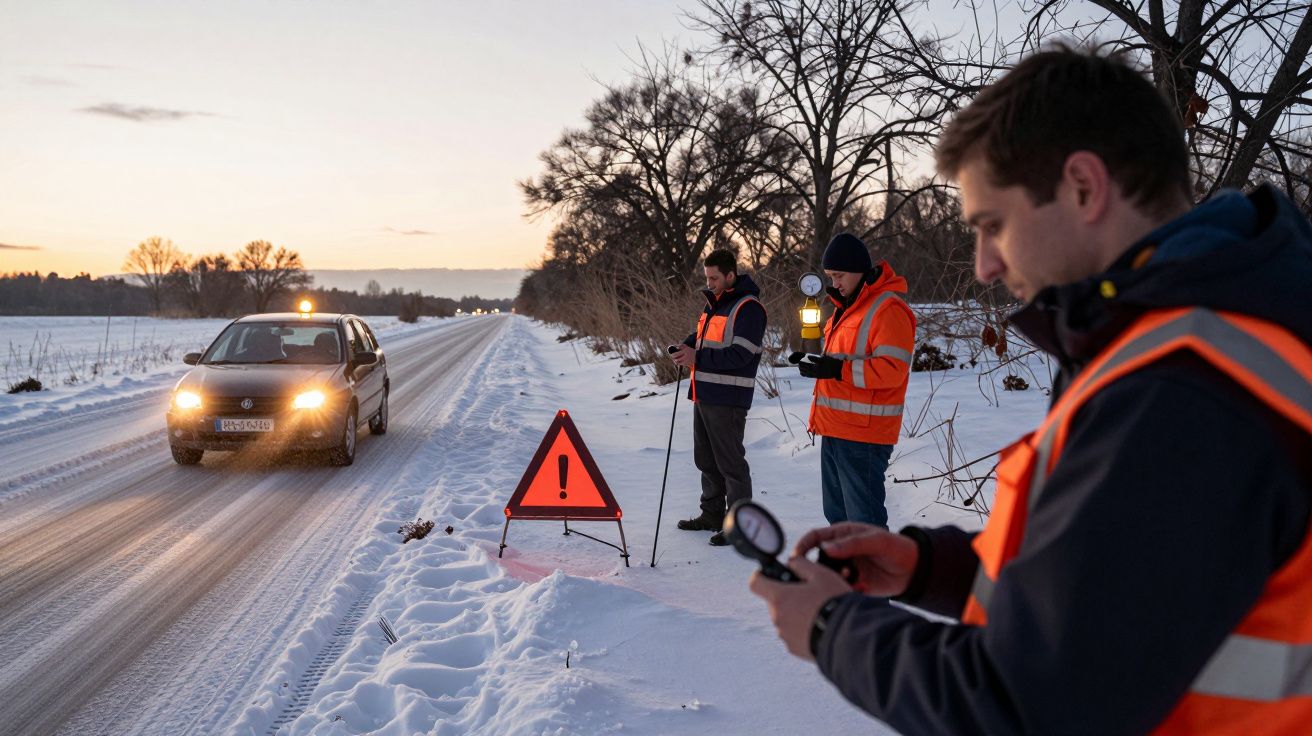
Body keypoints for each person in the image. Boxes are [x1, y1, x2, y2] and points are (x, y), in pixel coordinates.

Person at [748, 46, 1312, 735]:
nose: (984, 267)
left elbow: (1026, 707)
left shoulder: (1186, 388)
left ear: (1082, 186)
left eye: (993, 225)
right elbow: (1119, 591)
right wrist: (934, 568)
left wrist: (832, 629)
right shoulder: (1198, 336)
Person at [796, 233, 915, 527]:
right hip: (835, 428)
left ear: (860, 270)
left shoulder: (888, 309)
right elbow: (843, 361)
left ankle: (877, 573)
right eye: (829, 276)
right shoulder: (846, 309)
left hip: (865, 436)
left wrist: (836, 370)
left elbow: (892, 369)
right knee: (838, 518)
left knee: (865, 523)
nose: (834, 283)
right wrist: (819, 366)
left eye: (839, 275)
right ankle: (847, 572)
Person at [671, 249, 767, 546]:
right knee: (707, 460)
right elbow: (701, 338)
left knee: (731, 465)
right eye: (707, 277)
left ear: (730, 275)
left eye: (714, 277)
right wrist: (684, 347)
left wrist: (696, 356)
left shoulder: (748, 308)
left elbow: (740, 355)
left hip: (728, 398)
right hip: (704, 393)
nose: (710, 282)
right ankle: (711, 515)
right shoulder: (715, 306)